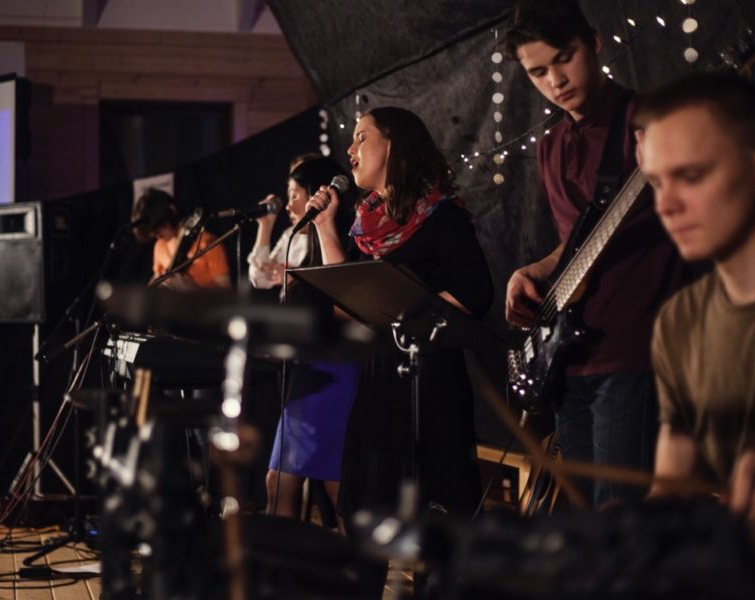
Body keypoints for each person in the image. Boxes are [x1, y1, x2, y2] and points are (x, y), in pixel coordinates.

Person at [502, 0, 684, 506]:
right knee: (582, 519)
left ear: (595, 43)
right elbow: (578, 238)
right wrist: (533, 270)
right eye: (538, 72)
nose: (555, 80)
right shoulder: (550, 145)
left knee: (619, 520)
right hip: (568, 354)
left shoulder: (652, 121)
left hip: (634, 351)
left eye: (565, 58)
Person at [306, 106, 493, 524]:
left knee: (435, 516)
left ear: (394, 145)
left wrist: (410, 320)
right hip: (378, 379)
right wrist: (324, 227)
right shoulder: (365, 225)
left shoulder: (441, 215)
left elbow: (475, 292)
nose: (350, 149)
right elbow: (345, 303)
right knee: (368, 511)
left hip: (430, 379)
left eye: (362, 137)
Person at [635, 74, 755, 538]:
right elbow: (673, 483)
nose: (665, 205)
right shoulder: (678, 321)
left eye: (691, 177)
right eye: (656, 183)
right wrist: (636, 531)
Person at [247, 156, 359, 525]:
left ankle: (352, 557)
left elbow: (343, 307)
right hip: (306, 371)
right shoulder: (296, 237)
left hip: (333, 370)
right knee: (279, 480)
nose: (292, 203)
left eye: (296, 194)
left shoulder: (343, 238)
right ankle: (283, 558)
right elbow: (261, 277)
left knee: (335, 485)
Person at [132, 187, 230, 288]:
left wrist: (191, 290)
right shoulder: (159, 245)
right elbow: (157, 281)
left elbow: (226, 290)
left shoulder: (208, 243)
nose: (157, 235)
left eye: (159, 227)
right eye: (153, 232)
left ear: (171, 211)